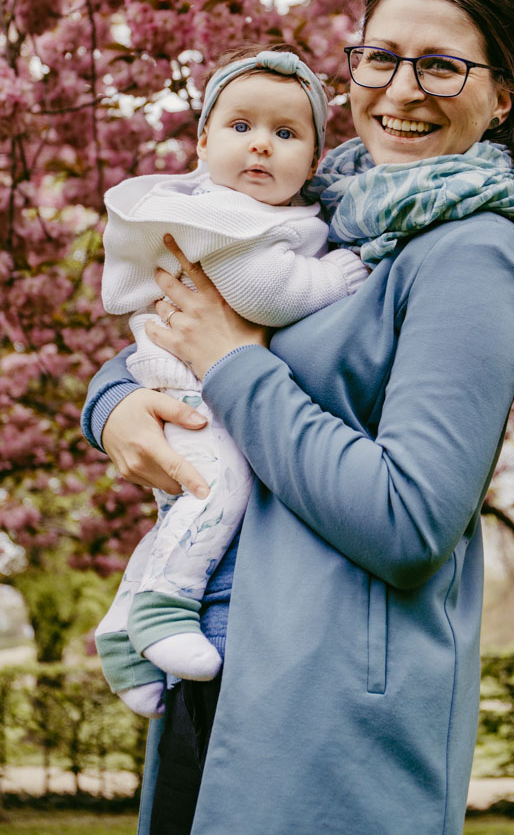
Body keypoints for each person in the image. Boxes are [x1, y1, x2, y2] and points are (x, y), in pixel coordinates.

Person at [82, 0, 514, 835]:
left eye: (442, 65)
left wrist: (233, 365)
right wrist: (113, 405)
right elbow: (178, 314)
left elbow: (407, 522)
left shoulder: (471, 251)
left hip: (322, 704)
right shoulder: (319, 214)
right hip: (220, 658)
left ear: (503, 93)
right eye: (382, 57)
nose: (402, 91)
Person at [94, 47, 367, 721]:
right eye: (240, 126)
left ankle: (122, 627)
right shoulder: (216, 213)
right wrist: (338, 277)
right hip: (186, 375)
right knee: (220, 486)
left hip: (201, 375)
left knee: (186, 502)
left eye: (286, 133)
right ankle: (167, 605)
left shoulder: (266, 214)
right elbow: (265, 294)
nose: (261, 147)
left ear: (312, 158)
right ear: (202, 140)